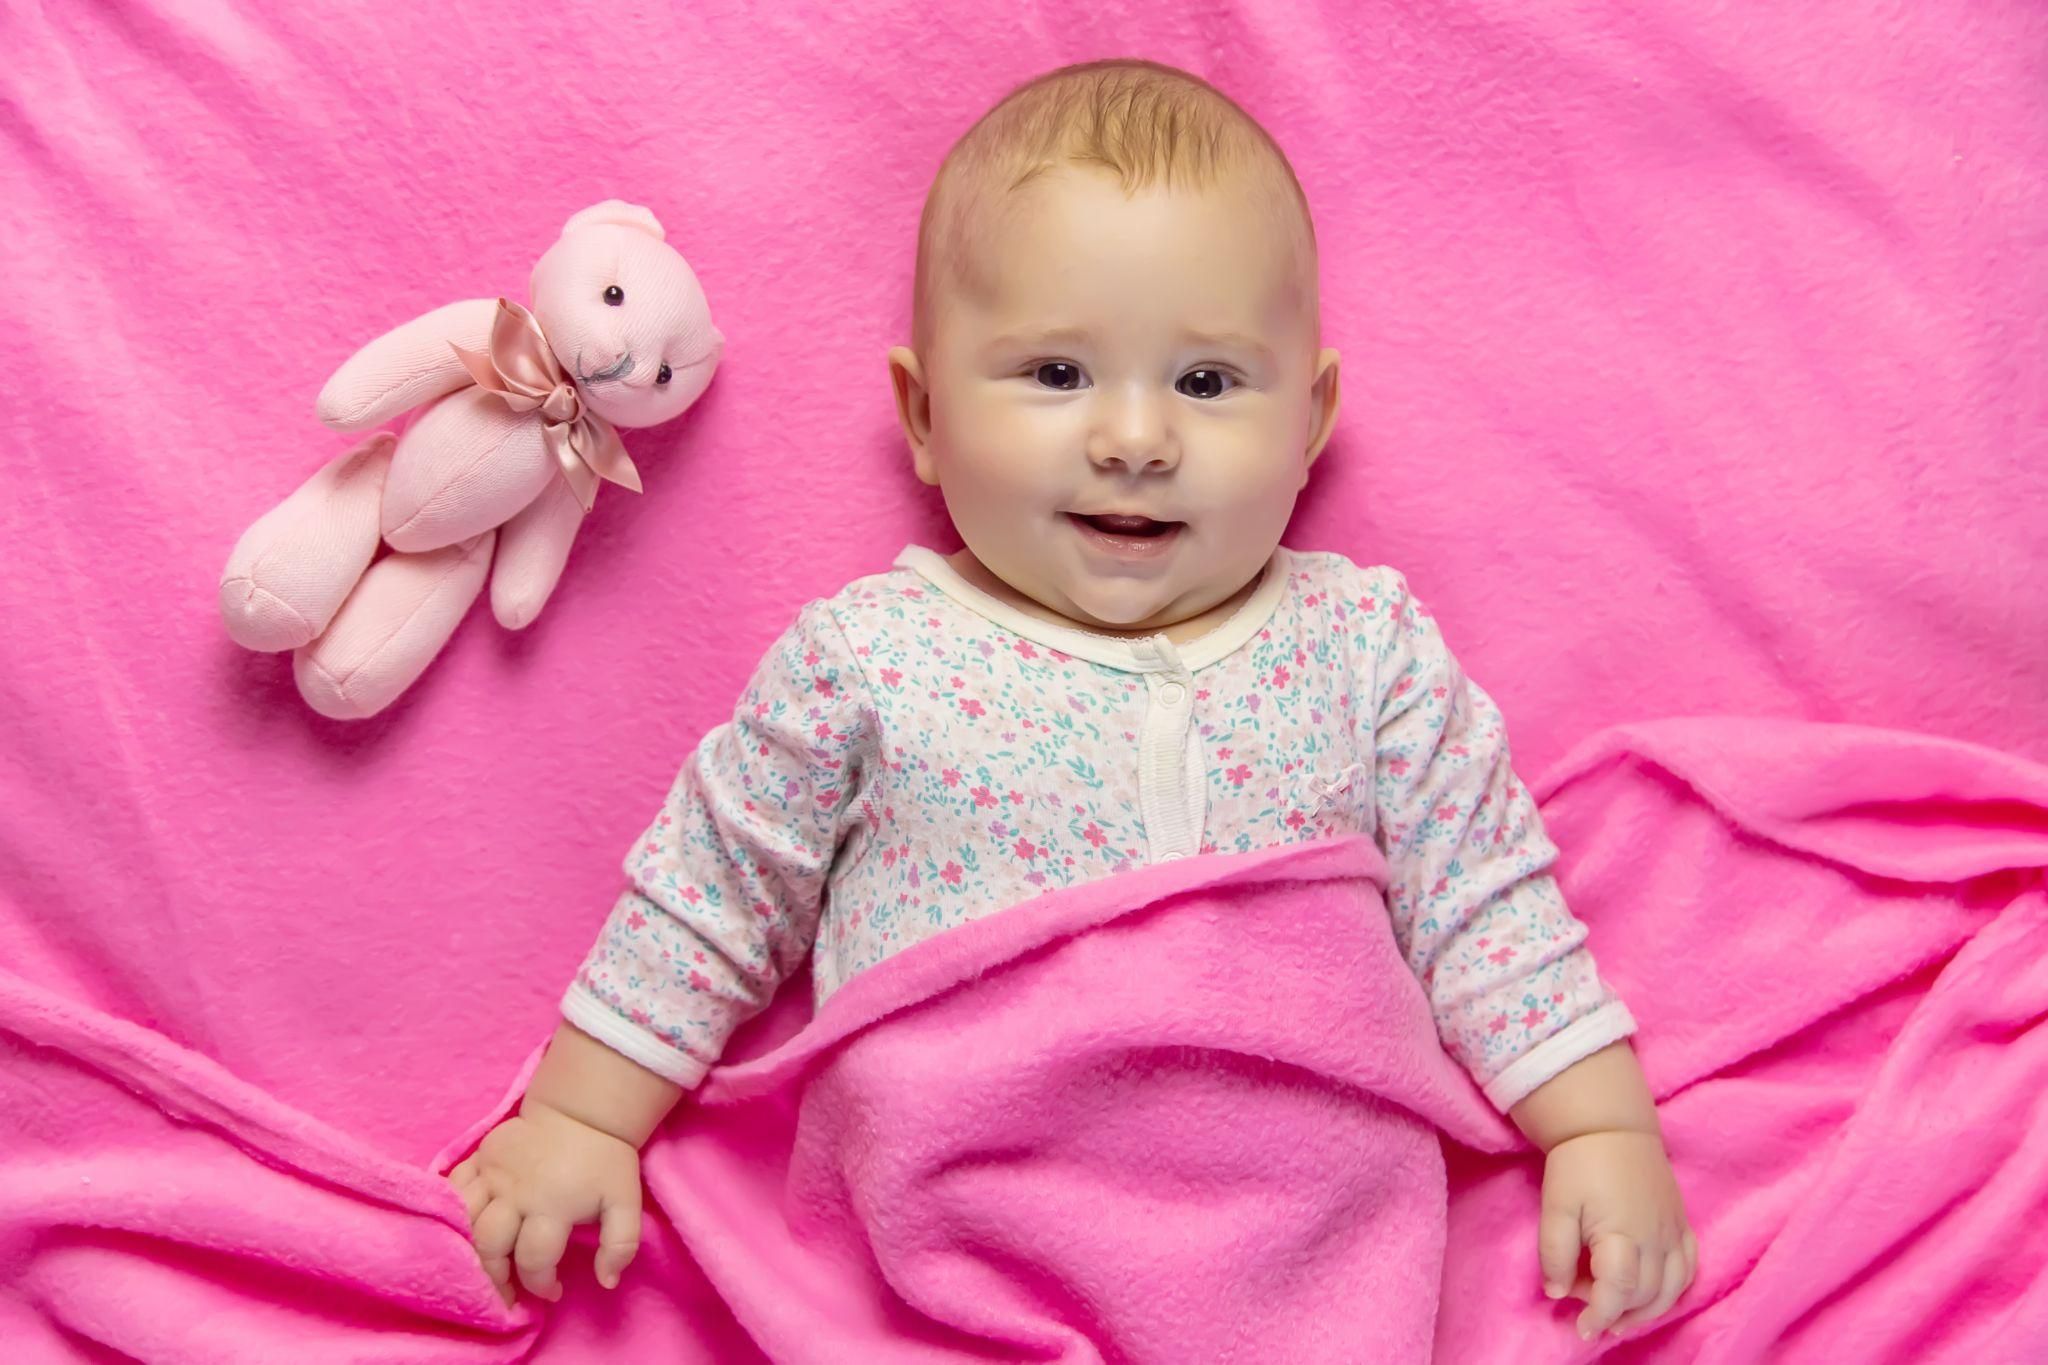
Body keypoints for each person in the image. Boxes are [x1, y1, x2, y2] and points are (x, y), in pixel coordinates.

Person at [449, 57, 1697, 1345]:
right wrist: (584, 1118)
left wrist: (1600, 1124)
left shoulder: (1361, 645)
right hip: (954, 1229)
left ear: (1310, 420)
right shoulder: (872, 658)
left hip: (1305, 1233)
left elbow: (1481, 896)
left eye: (1208, 383)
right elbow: (710, 896)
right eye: (1055, 375)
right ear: (925, 417)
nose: (1136, 438)